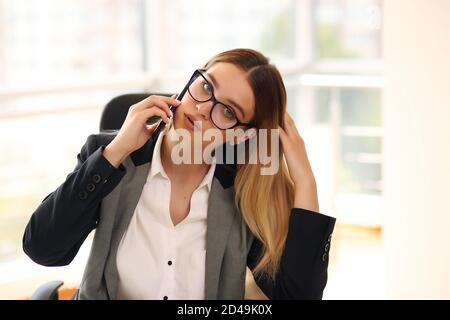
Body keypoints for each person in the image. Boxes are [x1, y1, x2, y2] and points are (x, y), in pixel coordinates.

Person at [23, 48, 336, 300]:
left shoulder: (241, 192)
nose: (202, 108)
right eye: (205, 86)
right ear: (190, 82)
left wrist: (305, 180)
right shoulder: (113, 159)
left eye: (227, 112)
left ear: (241, 135)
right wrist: (115, 152)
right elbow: (43, 249)